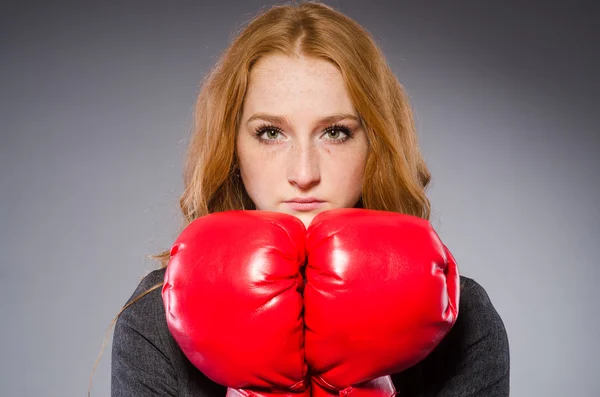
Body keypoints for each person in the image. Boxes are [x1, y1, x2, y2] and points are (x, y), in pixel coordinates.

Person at [107, 1, 510, 396]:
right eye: (270, 132)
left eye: (335, 132)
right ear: (233, 148)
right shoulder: (157, 315)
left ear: (376, 143)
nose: (303, 174)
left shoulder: (462, 317)